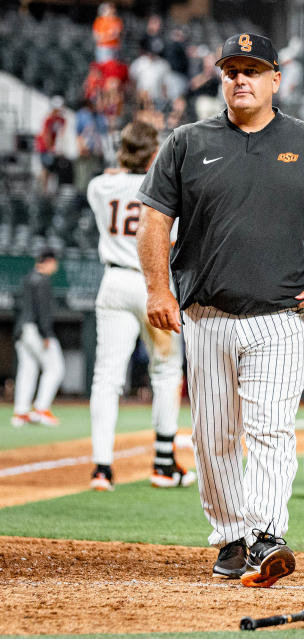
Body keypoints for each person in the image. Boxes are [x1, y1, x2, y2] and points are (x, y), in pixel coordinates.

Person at [136, 33, 304, 586]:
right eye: (232, 69)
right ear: (221, 77)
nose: (241, 79)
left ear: (275, 80)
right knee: (213, 435)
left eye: (253, 70)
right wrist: (158, 290)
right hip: (207, 316)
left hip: (282, 317)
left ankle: (266, 534)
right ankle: (231, 537)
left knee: (269, 428)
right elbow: (153, 221)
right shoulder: (187, 141)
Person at [86, 120, 195, 493]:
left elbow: (111, 179)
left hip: (113, 281)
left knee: (106, 377)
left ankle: (101, 468)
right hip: (153, 282)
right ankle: (164, 463)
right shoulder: (165, 185)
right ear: (154, 154)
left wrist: (123, 168)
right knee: (165, 372)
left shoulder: (98, 186)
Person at [12, 249, 64, 427]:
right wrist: (46, 333)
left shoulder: (27, 278)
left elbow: (16, 305)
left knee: (27, 371)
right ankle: (41, 408)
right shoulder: (42, 280)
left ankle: (20, 413)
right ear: (49, 261)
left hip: (21, 330)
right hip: (36, 329)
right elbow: (42, 310)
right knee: (55, 368)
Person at [34, 97, 66, 195]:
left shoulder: (61, 120)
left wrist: (58, 147)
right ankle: (44, 189)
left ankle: (47, 188)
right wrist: (50, 148)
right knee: (46, 167)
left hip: (51, 147)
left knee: (52, 168)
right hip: (43, 146)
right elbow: (46, 135)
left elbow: (61, 134)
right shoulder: (48, 119)